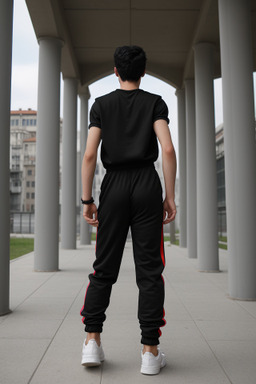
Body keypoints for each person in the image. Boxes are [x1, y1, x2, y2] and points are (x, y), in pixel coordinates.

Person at [80, 45, 177, 375]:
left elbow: (90, 156)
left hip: (115, 186)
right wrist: (170, 195)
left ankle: (92, 342)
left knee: (104, 267)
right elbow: (167, 148)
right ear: (144, 71)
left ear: (116, 71)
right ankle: (150, 351)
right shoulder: (155, 103)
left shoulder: (101, 105)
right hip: (147, 185)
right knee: (149, 270)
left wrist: (87, 200)